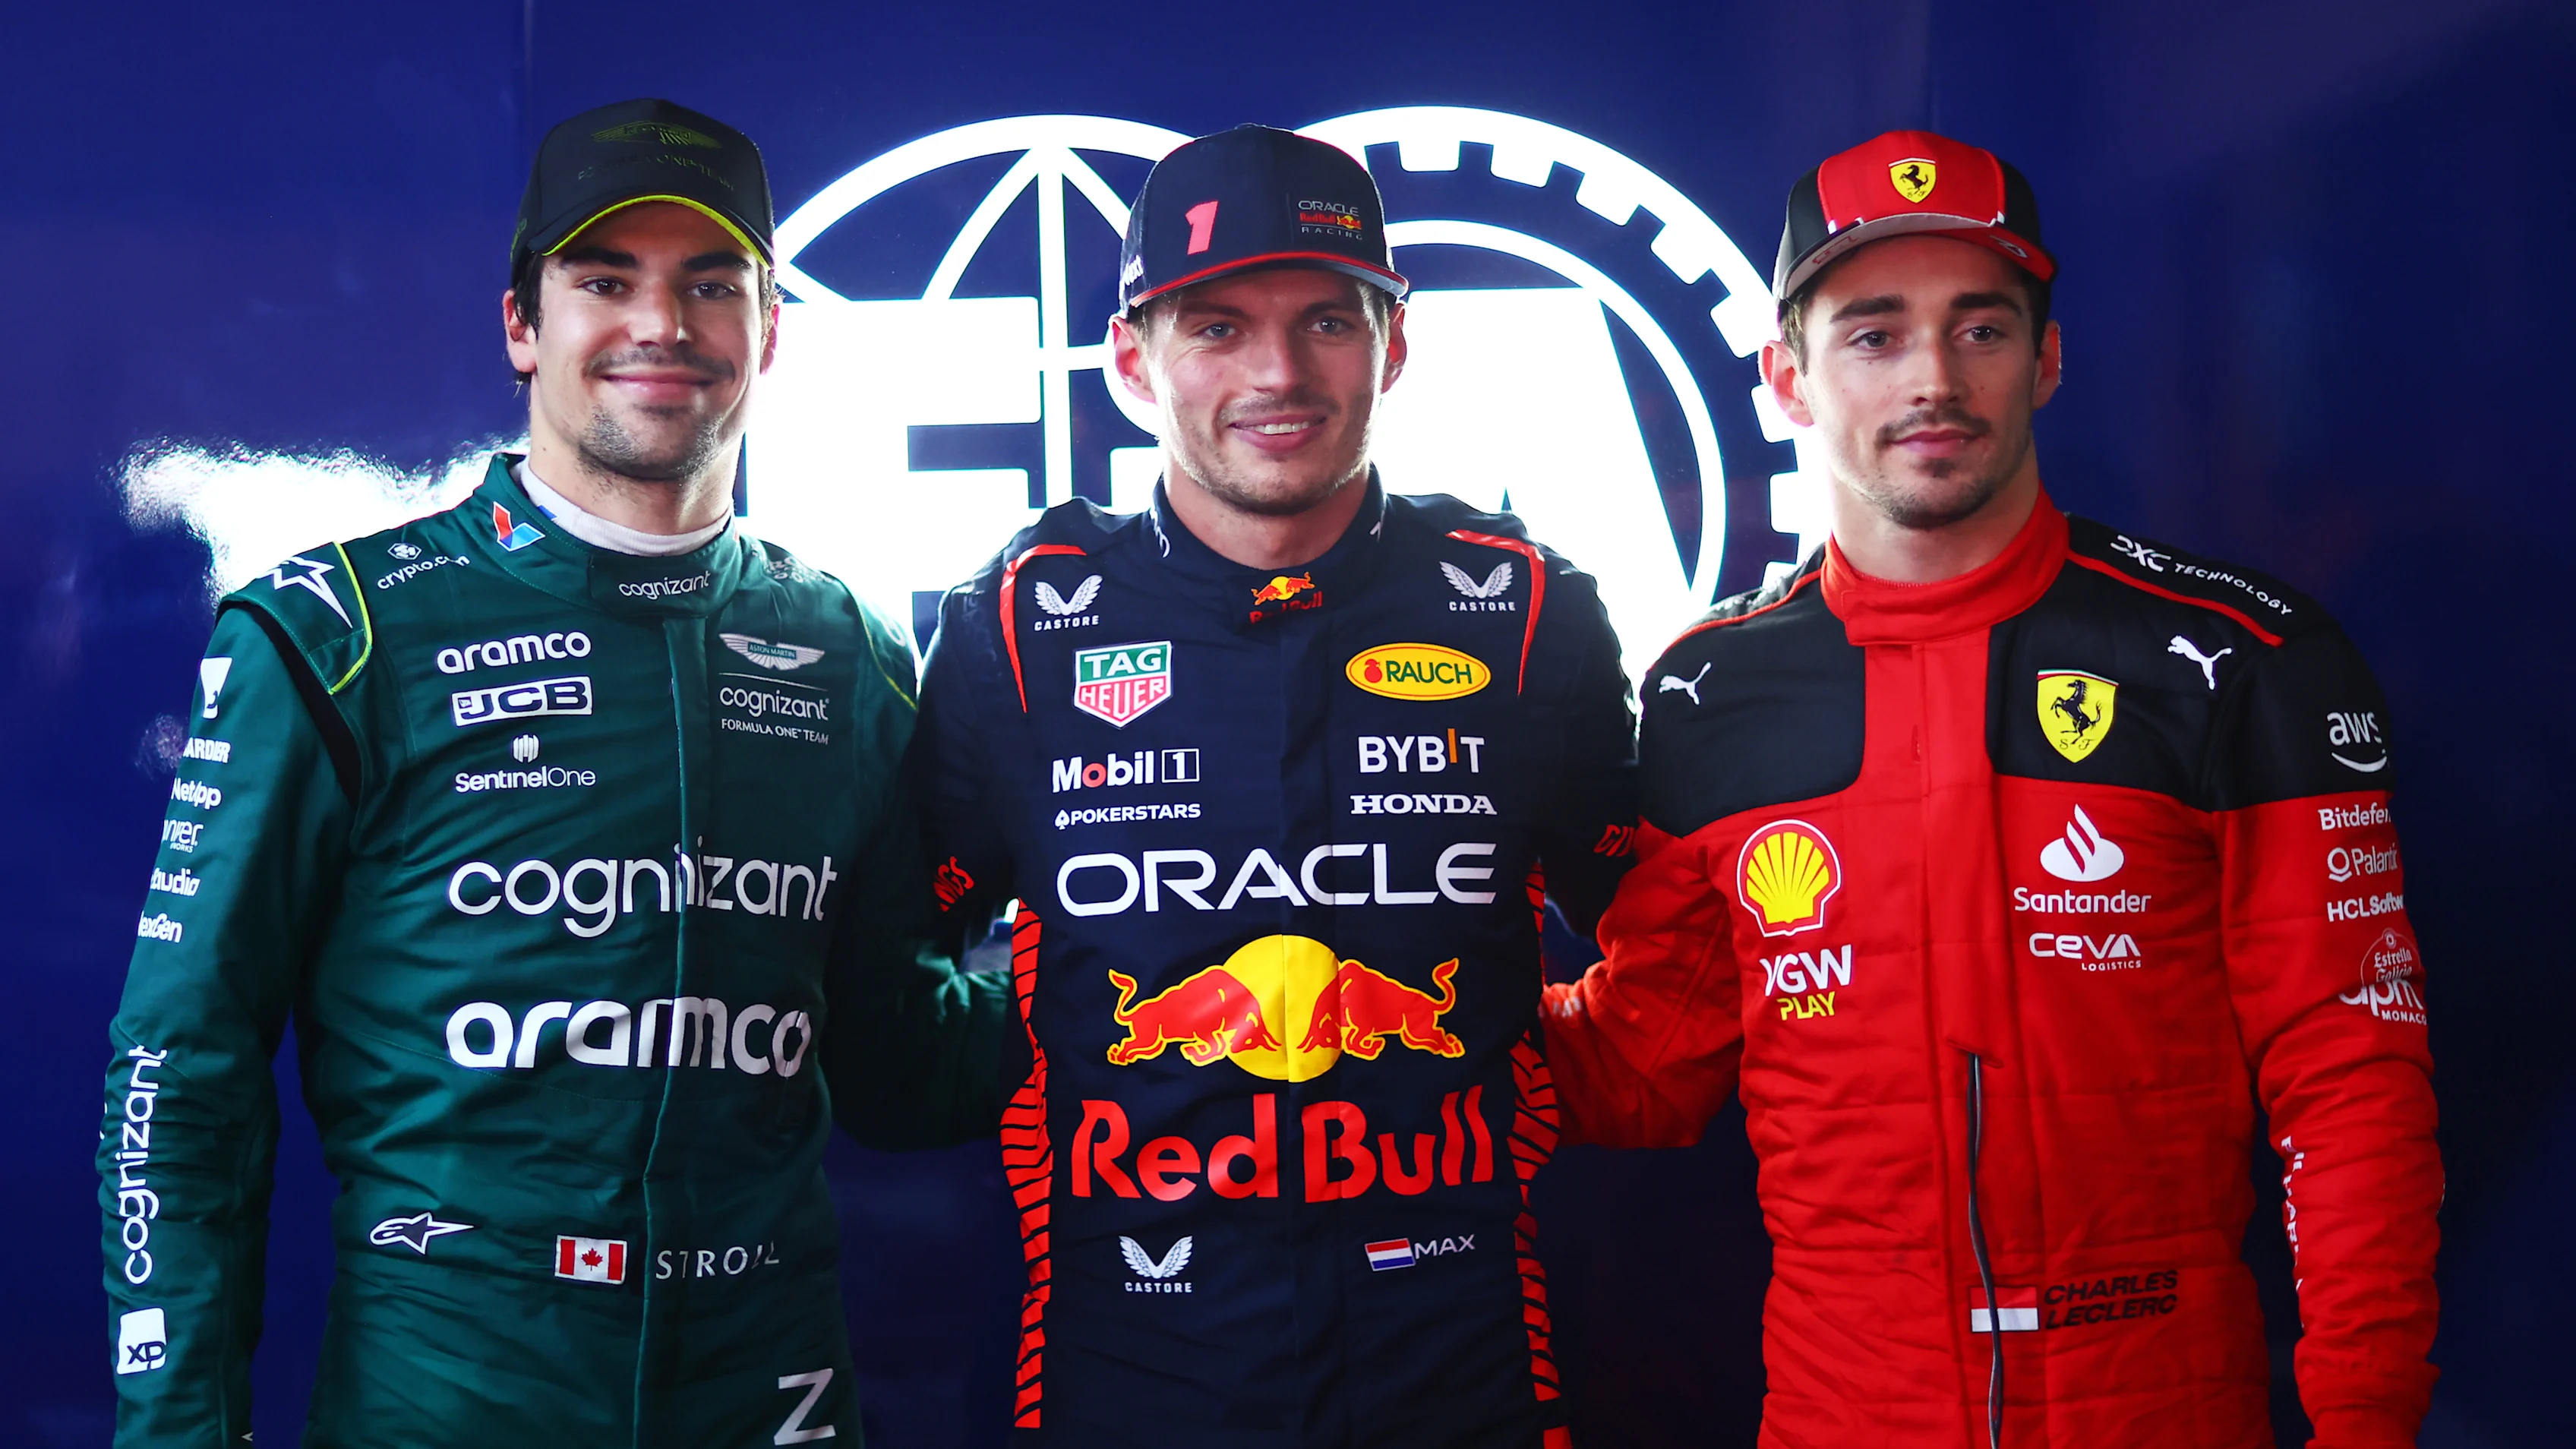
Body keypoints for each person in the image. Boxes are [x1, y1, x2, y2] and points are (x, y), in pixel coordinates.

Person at [98, 98, 1006, 1446]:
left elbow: (893, 1066)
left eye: (711, 285)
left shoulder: (845, 649)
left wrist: (1132, 965)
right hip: (453, 1388)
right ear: (523, 324)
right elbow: (182, 1071)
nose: (662, 326)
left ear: (769, 333)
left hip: (772, 1389)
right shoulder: (340, 632)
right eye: (605, 282)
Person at [1542, 129, 2439, 1447]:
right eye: (1873, 333)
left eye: (1981, 328)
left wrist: (2363, 1420)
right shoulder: (1706, 691)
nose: (1933, 380)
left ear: (2048, 359)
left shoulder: (2240, 661)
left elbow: (2352, 1078)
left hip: (2165, 1408)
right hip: (1846, 1412)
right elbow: (1643, 1073)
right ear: (1788, 377)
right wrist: (1425, 936)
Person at [911, 125, 1637, 1447]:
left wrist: (1540, 1075)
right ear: (1134, 361)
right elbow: (893, 950)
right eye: (1217, 326)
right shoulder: (1019, 622)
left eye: (1327, 321)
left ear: (1395, 346)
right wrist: (1045, 1075)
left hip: (1455, 1356)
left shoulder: (1526, 609)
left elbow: (1674, 939)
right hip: (1128, 1360)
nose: (1279, 373)